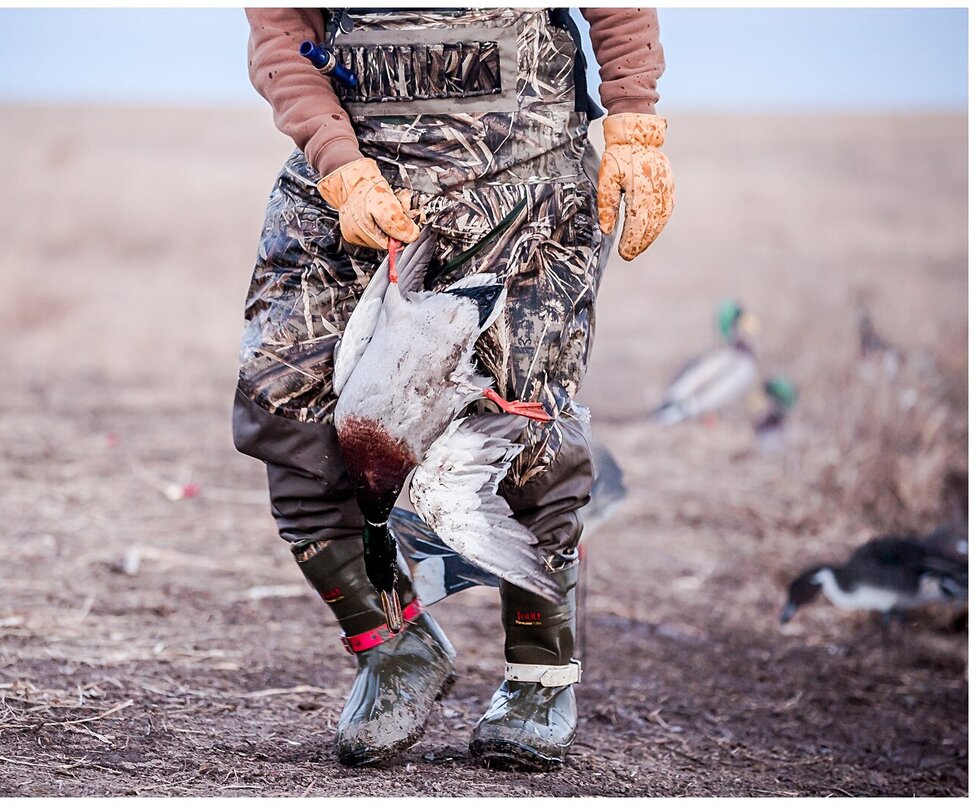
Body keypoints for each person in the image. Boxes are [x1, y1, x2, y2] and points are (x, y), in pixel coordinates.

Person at [235, 8, 673, 770]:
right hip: (352, 184)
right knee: (286, 406)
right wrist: (337, 163)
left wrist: (633, 120)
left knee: (524, 415)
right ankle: (391, 646)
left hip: (523, 175)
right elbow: (281, 28)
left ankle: (539, 670)